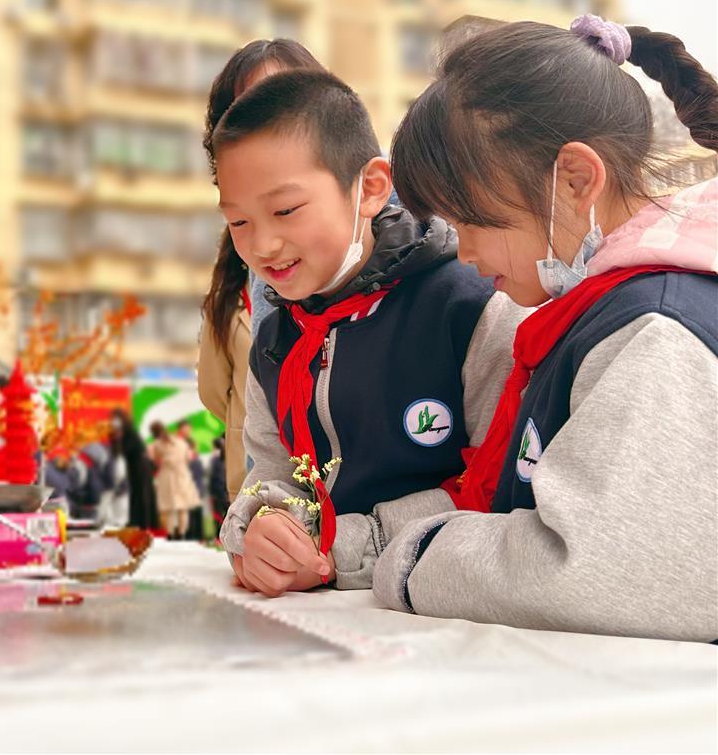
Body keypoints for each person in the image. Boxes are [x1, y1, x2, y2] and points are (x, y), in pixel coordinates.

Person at [367, 17, 718, 641]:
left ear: (577, 179)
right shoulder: (597, 316)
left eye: (473, 221)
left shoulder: (656, 333)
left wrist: (418, 560)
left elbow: (605, 571)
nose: (465, 254)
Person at [213, 68, 523, 597]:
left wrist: (343, 547)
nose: (262, 245)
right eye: (239, 222)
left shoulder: (472, 308)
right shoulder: (274, 341)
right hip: (324, 632)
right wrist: (261, 530)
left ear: (372, 188)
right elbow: (274, 474)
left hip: (444, 622)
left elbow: (500, 489)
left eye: (285, 210)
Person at [198, 40, 326, 501]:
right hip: (262, 497)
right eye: (243, 111)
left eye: (281, 104)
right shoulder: (237, 270)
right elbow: (213, 390)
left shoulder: (376, 234)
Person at [148, 421, 202, 540]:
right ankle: (181, 533)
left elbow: (156, 460)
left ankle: (171, 533)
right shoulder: (181, 442)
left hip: (166, 475)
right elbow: (188, 458)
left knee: (169, 507)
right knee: (183, 507)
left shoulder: (157, 444)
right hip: (183, 474)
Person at [110, 409, 157, 530]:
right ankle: (135, 520)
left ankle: (144, 523)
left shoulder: (130, 433)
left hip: (140, 466)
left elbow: (127, 450)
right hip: (133, 466)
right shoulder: (122, 434)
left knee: (142, 494)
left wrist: (118, 439)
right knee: (135, 494)